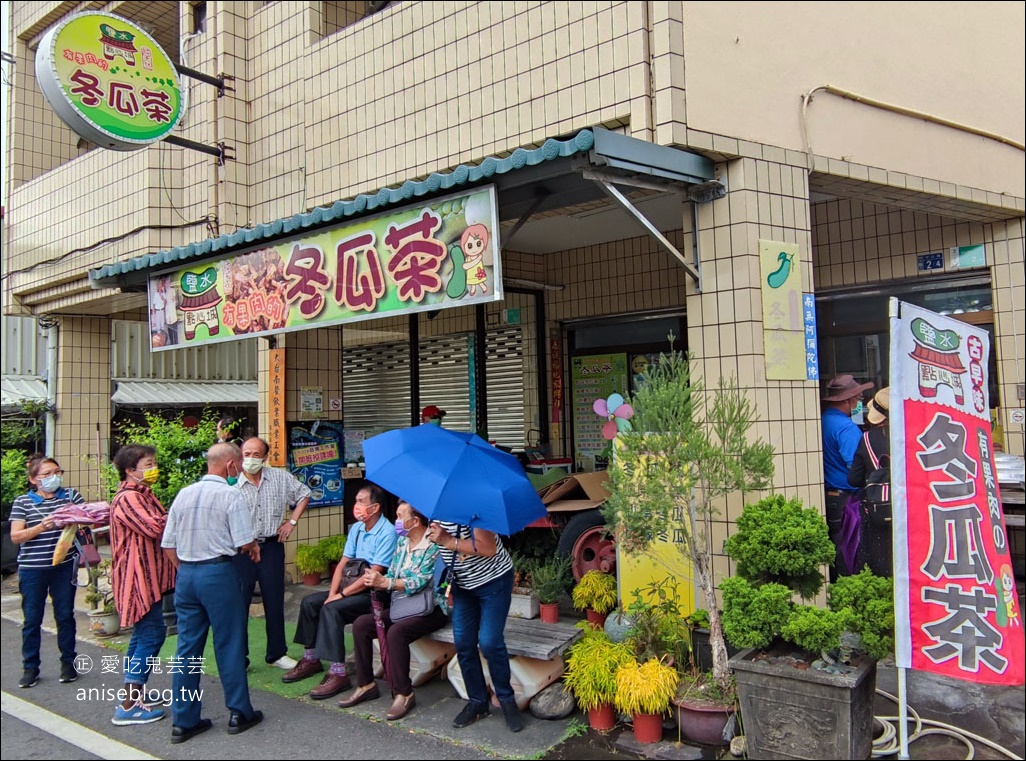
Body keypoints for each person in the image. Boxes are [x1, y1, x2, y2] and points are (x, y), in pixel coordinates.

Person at [160, 443, 264, 744]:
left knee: (187, 649)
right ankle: (239, 712)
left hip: (188, 574)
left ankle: (184, 719)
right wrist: (254, 546)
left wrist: (185, 568)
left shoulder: (185, 493)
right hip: (218, 573)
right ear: (231, 465)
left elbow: (168, 544)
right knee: (228, 643)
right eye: (240, 463)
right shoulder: (230, 494)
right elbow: (244, 541)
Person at [281, 483, 397, 699]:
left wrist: (339, 597)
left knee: (332, 609)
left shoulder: (387, 532)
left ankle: (338, 672)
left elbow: (372, 576)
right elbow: (342, 564)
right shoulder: (357, 529)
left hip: (374, 594)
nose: (357, 506)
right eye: (356, 501)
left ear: (376, 507)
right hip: (349, 587)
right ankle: (311, 658)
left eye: (362, 502)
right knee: (310, 603)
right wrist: (333, 592)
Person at [339, 501, 448, 721]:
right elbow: (392, 574)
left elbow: (419, 581)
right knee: (362, 625)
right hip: (404, 605)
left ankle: (404, 693)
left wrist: (385, 583)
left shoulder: (434, 545)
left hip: (430, 607)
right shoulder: (401, 543)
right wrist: (376, 579)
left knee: (396, 632)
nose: (397, 522)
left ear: (415, 521)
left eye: (400, 517)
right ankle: (366, 684)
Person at [425, 520, 524, 733]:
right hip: (463, 585)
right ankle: (478, 702)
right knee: (463, 643)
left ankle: (507, 700)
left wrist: (447, 540)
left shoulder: (475, 506)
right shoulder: (434, 506)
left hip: (493, 581)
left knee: (489, 642)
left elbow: (488, 548)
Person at [108, 444, 177, 726]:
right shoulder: (128, 499)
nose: (152, 468)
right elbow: (156, 527)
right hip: (138, 578)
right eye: (148, 464)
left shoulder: (142, 495)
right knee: (151, 634)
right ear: (130, 470)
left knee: (141, 636)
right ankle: (128, 704)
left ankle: (134, 695)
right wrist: (180, 512)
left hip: (147, 577)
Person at [234, 436, 311, 670]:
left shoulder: (279, 477)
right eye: (246, 454)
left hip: (271, 545)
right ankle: (239, 657)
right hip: (241, 550)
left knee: (274, 599)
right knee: (238, 603)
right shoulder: (230, 484)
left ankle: (277, 653)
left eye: (256, 454)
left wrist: (292, 523)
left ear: (265, 457)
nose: (250, 459)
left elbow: (305, 493)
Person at [10, 456, 85, 688]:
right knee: (32, 619)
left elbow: (87, 521)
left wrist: (74, 518)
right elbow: (16, 536)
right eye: (47, 474)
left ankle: (68, 663)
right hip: (33, 569)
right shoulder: (23, 502)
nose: (54, 478)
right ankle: (30, 667)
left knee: (65, 615)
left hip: (64, 566)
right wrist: (43, 525)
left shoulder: (71, 496)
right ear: (34, 479)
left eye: (57, 472)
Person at [821, 373, 874, 581]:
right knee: (850, 551)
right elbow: (857, 467)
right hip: (848, 500)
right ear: (846, 400)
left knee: (836, 547)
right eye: (857, 399)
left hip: (829, 495)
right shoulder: (846, 428)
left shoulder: (824, 419)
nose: (859, 403)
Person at [848, 387, 892, 577]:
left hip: (879, 512)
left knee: (880, 562)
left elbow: (854, 479)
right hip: (913, 512)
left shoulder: (867, 439)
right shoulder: (916, 435)